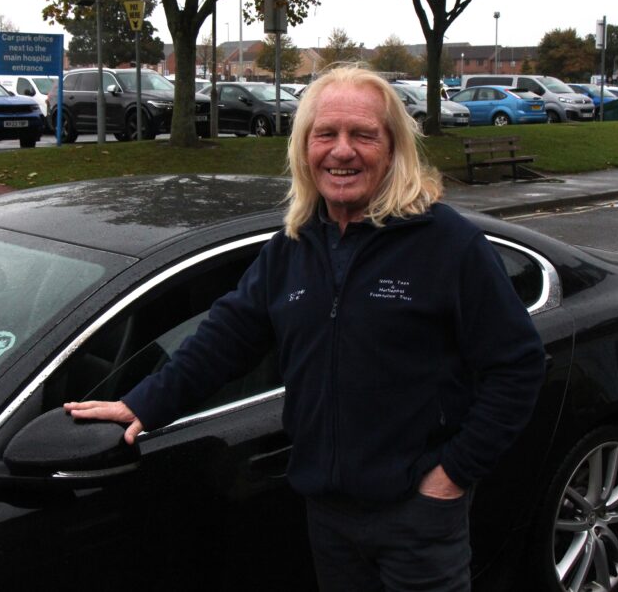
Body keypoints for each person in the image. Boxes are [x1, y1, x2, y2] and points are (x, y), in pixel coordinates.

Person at [65, 66, 546, 591]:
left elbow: (517, 365)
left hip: (417, 514)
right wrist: (145, 402)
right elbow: (226, 337)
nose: (342, 151)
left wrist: (452, 474)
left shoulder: (447, 244)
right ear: (305, 148)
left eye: (363, 135)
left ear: (392, 149)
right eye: (326, 135)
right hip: (328, 514)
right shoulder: (294, 247)